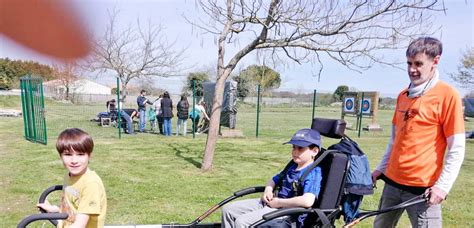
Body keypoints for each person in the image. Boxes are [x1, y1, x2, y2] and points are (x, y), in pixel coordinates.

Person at [371, 37, 465, 227]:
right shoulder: (402, 96)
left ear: (435, 61)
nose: (412, 69)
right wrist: (381, 168)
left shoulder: (448, 95)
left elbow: (457, 148)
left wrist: (442, 187)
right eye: (409, 63)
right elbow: (394, 141)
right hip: (392, 183)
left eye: (418, 64)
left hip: (424, 190)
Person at [221, 128, 323, 227]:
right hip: (272, 203)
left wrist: (279, 202)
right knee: (228, 210)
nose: (295, 151)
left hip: (285, 211)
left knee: (242, 222)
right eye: (293, 147)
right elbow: (274, 180)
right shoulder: (293, 166)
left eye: (300, 148)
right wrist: (268, 190)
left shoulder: (313, 173)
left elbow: (307, 201)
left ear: (314, 151)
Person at [37, 128, 107, 227]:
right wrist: (55, 210)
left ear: (89, 156)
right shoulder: (70, 175)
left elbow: (79, 224)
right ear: (60, 156)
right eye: (68, 154)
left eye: (80, 154)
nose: (74, 160)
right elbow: (73, 207)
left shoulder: (91, 184)